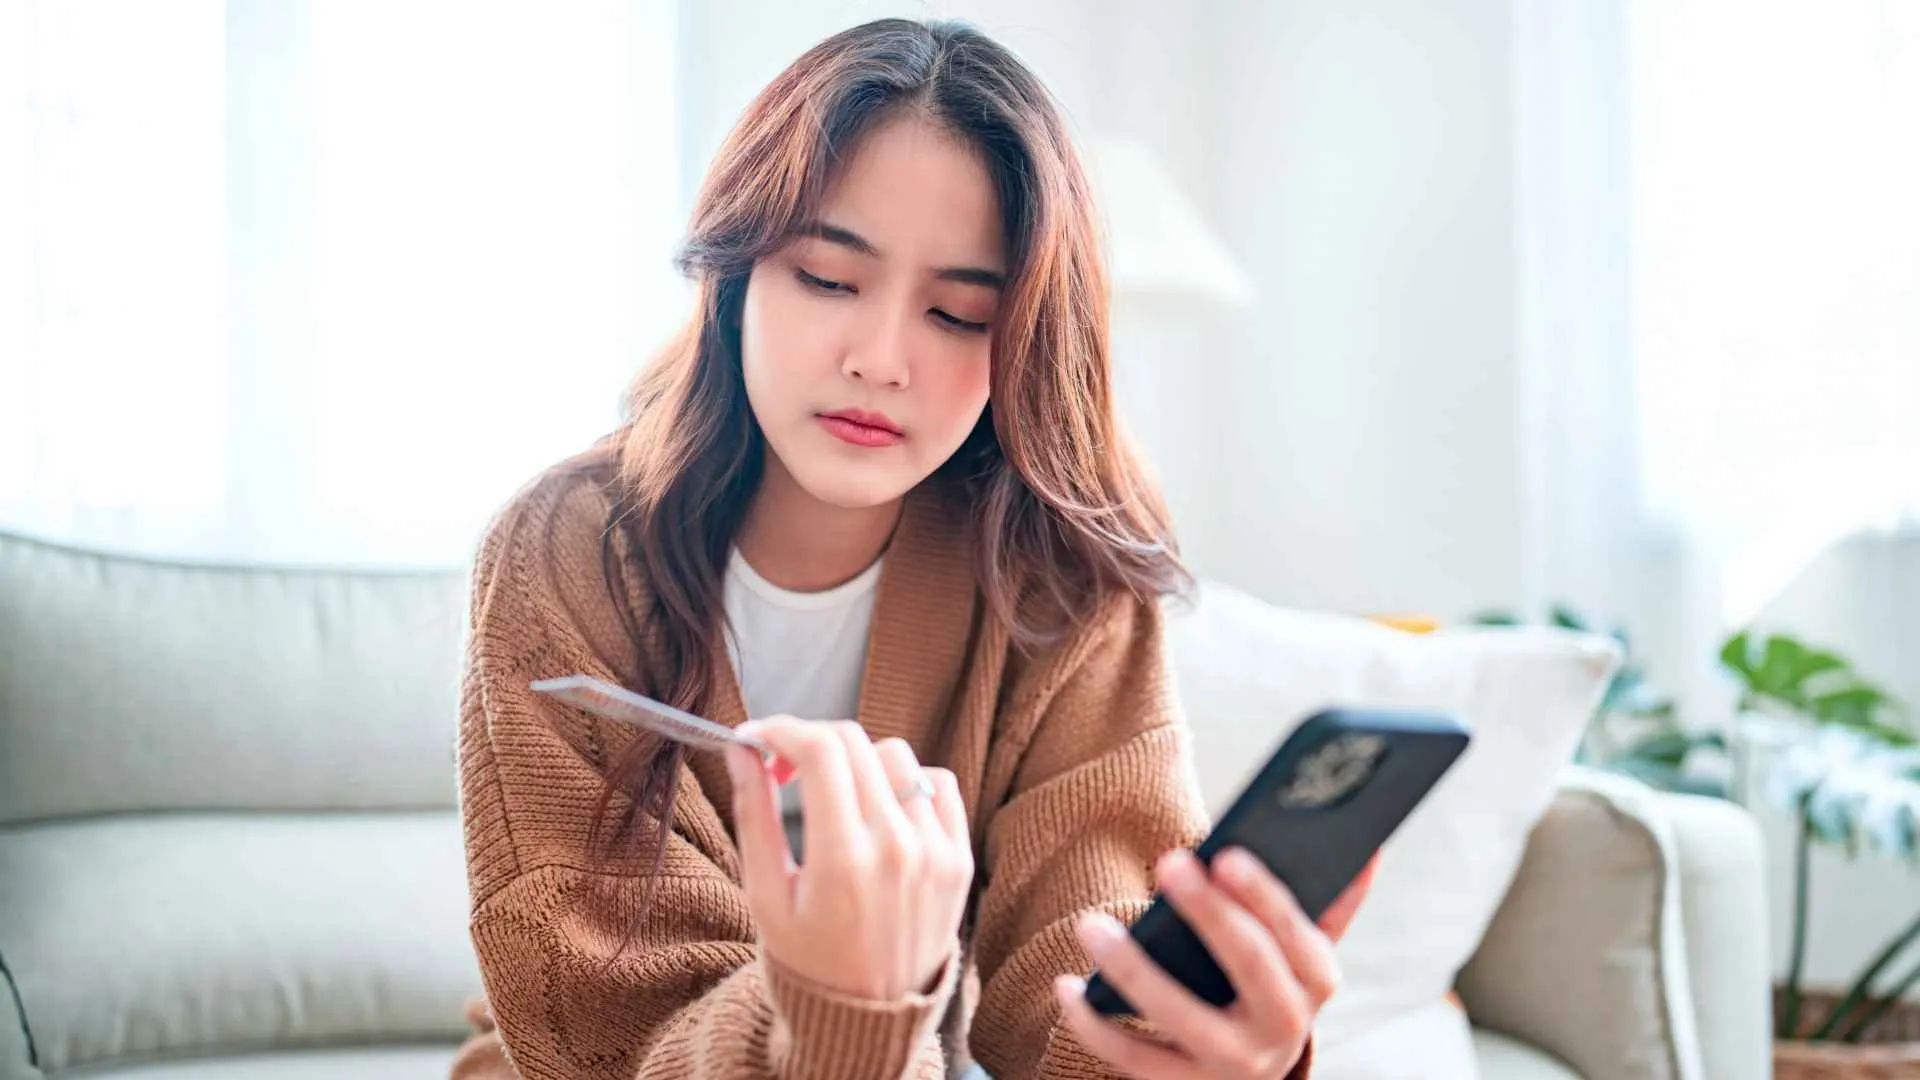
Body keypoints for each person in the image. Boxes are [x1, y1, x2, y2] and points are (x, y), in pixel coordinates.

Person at [451, 17, 1374, 1080]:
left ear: (1023, 338)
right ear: (738, 274)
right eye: (829, 281)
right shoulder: (569, 552)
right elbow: (603, 1028)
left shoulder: (1063, 580)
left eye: (958, 313)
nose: (882, 358)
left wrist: (1197, 1044)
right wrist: (837, 1001)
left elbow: (1080, 980)